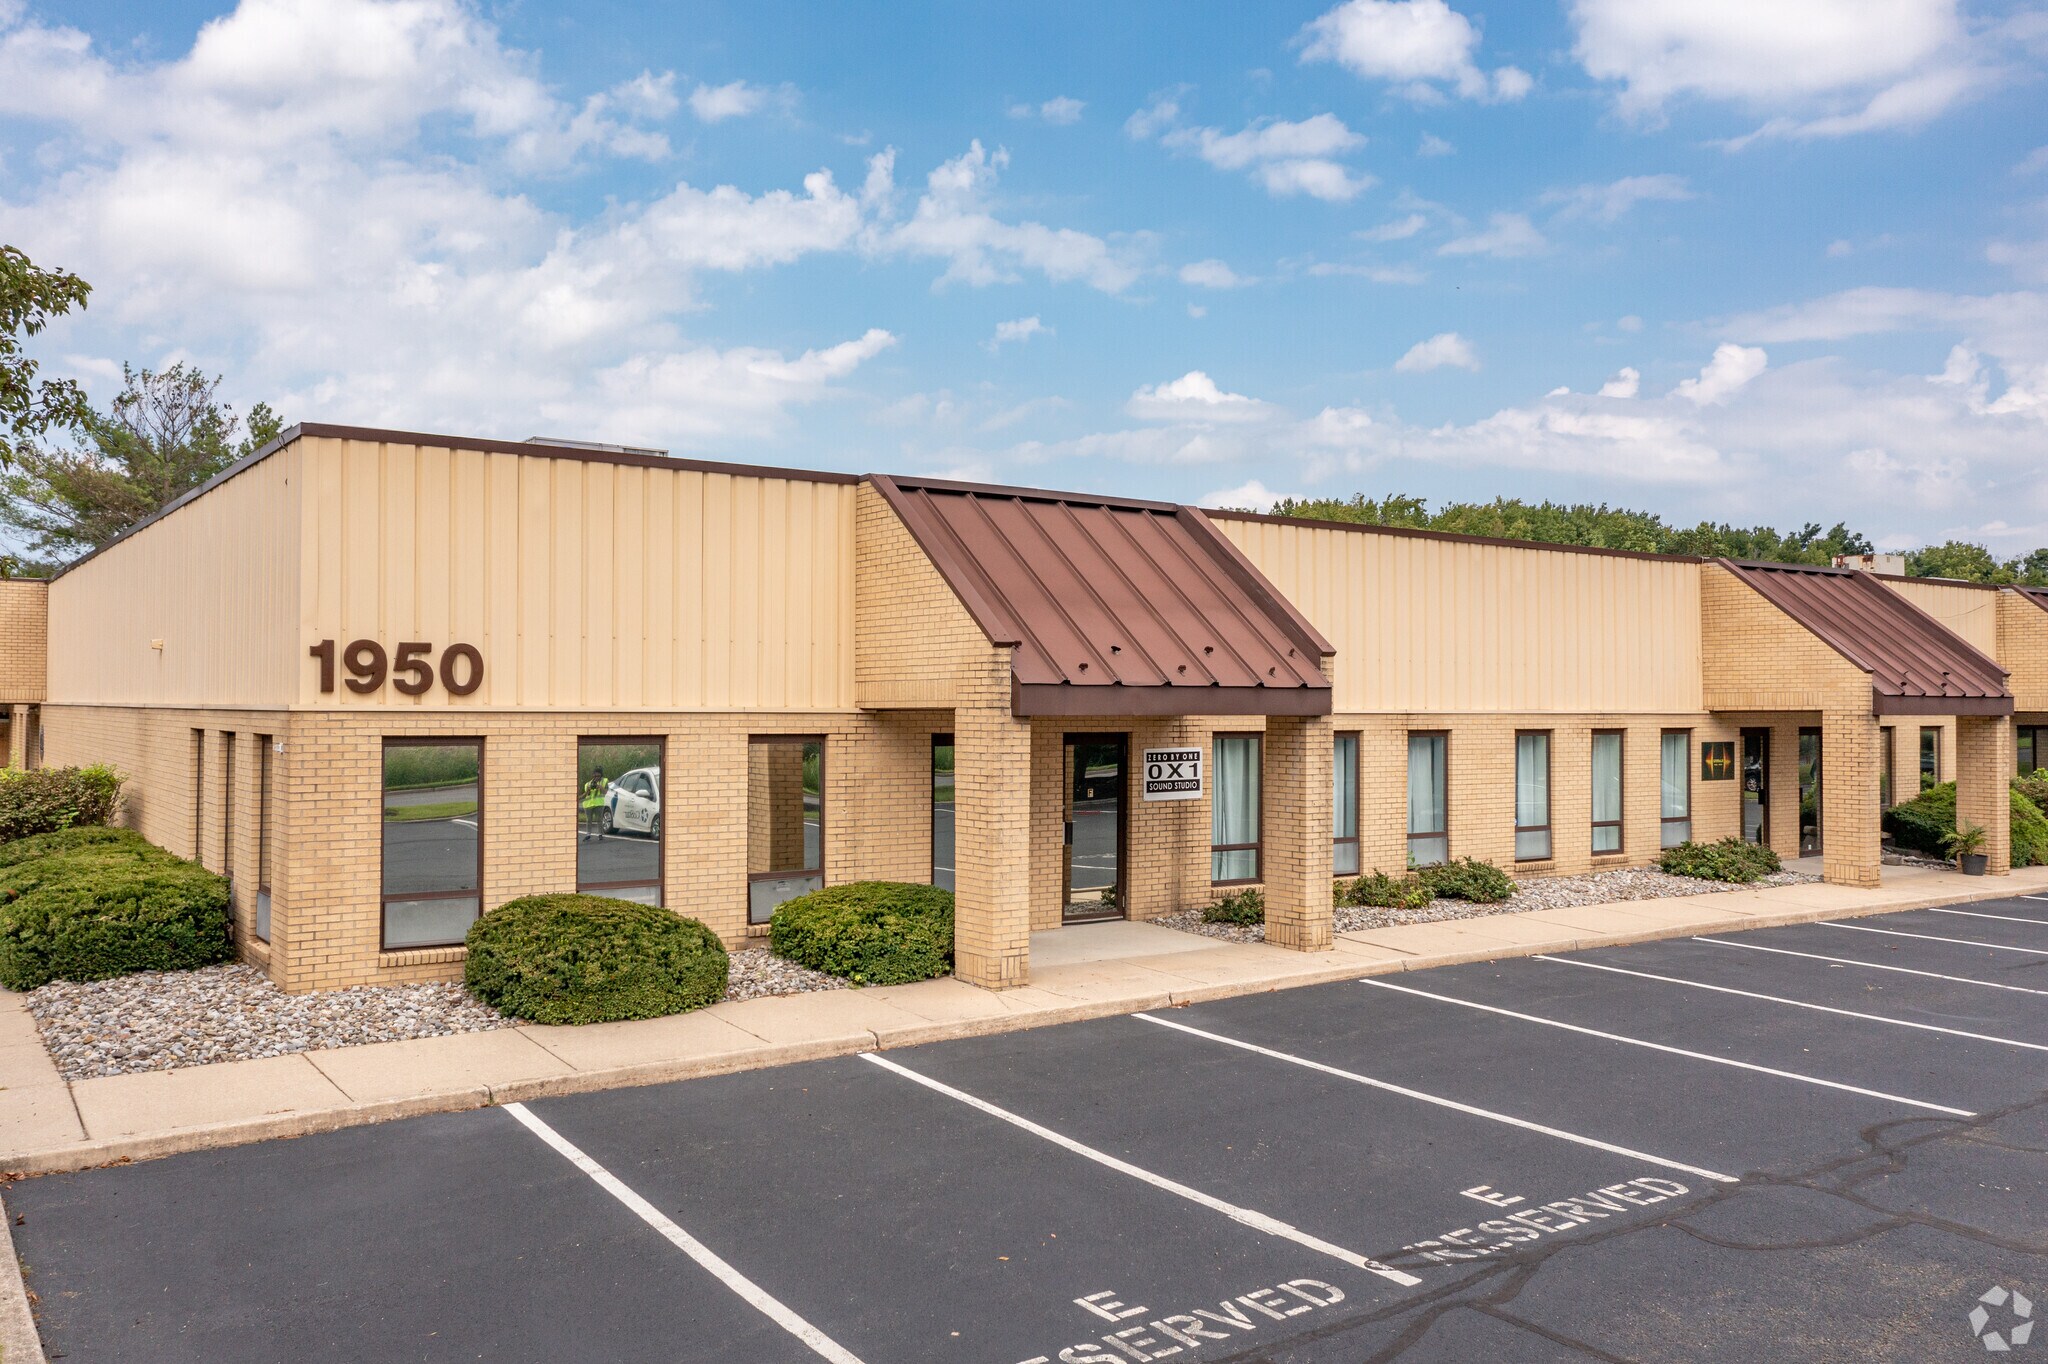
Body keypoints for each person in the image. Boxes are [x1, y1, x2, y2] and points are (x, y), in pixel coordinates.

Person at [581, 768, 608, 843]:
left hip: (599, 803)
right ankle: (588, 834)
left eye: (598, 776)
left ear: (601, 775)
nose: (596, 778)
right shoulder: (588, 784)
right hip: (588, 804)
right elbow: (584, 795)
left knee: (599, 819)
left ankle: (600, 834)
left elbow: (605, 792)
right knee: (588, 820)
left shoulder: (604, 781)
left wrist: (600, 787)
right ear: (593, 775)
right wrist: (588, 791)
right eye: (595, 776)